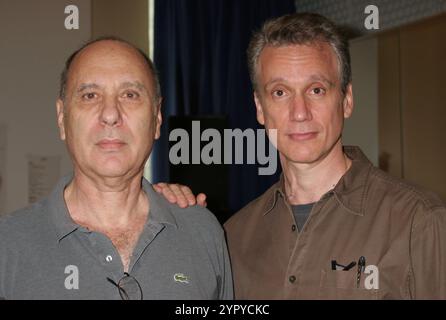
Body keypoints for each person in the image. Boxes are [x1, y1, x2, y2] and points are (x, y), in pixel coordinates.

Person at [157, 13, 446, 299]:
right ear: (260, 107)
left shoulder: (419, 223)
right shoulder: (234, 236)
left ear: (346, 99)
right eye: (280, 92)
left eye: (316, 90)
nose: (299, 112)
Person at [0, 37, 232, 300]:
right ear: (62, 118)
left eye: (130, 95)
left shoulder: (203, 232)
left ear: (156, 118)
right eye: (90, 95)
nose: (110, 114)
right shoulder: (7, 246)